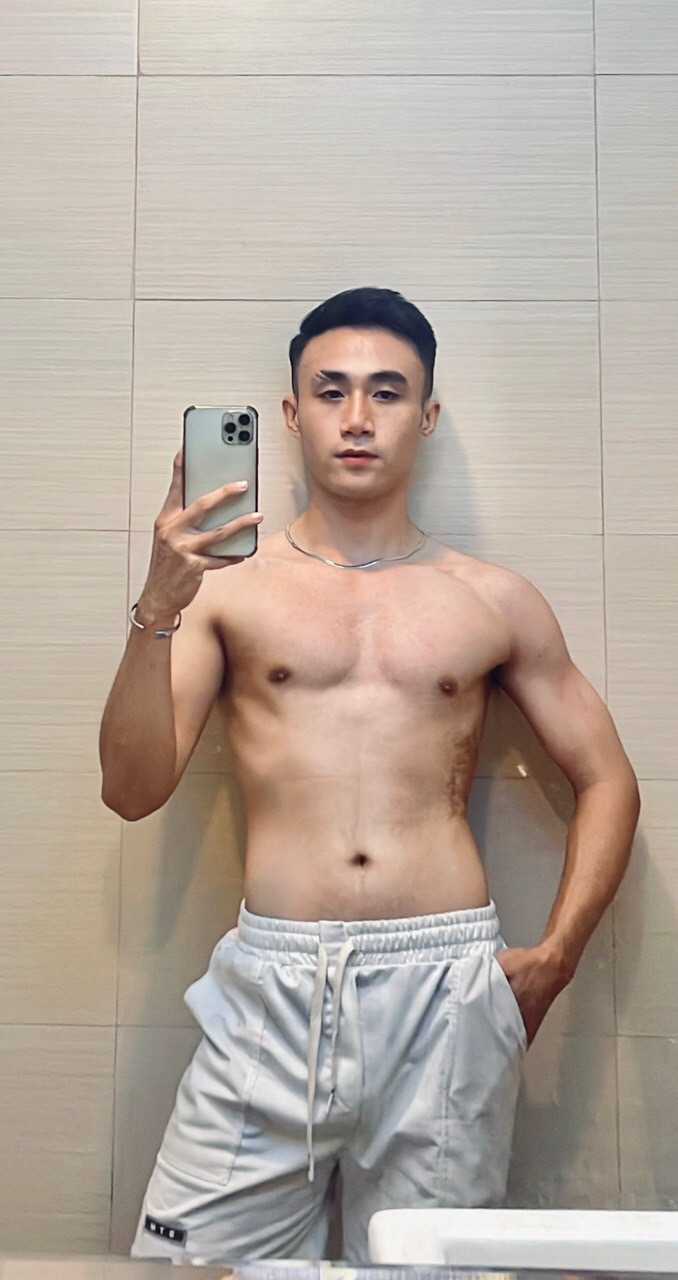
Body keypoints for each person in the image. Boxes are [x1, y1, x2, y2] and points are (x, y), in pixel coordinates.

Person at [100, 287, 640, 1266]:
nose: (357, 417)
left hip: (447, 989)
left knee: (432, 1265)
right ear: (291, 412)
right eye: (331, 391)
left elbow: (607, 779)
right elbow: (131, 789)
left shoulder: (491, 599)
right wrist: (157, 609)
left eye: (387, 392)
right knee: (191, 1262)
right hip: (271, 987)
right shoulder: (226, 591)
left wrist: (556, 957)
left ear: (426, 416)